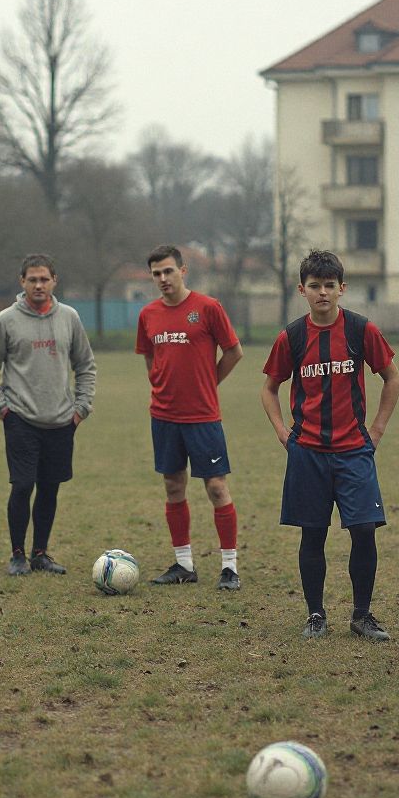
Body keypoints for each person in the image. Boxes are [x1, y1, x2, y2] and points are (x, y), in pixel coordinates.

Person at [261, 250, 399, 641]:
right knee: (312, 535)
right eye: (314, 286)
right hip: (307, 452)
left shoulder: (360, 330)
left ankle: (361, 615)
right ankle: (315, 614)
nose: (322, 293)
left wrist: (377, 430)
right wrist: (280, 431)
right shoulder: (291, 336)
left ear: (341, 289)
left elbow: (392, 377)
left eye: (329, 286)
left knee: (364, 532)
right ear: (301, 290)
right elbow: (269, 388)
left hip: (355, 451)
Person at [0, 254, 97, 576]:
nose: (39, 285)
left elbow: (85, 365)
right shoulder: (6, 320)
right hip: (20, 420)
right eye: (32, 279)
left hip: (61, 421)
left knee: (49, 487)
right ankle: (17, 555)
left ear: (54, 280)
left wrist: (81, 407)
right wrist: (2, 408)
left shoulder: (69, 317)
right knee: (23, 485)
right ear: (22, 282)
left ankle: (40, 553)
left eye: (44, 279)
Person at [135, 245, 243, 589]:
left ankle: (229, 567)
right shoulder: (148, 314)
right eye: (156, 274)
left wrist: (209, 382)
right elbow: (149, 356)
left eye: (168, 271)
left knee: (215, 486)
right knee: (173, 486)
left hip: (202, 416)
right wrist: (159, 381)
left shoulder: (207, 308)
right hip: (164, 416)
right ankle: (183, 564)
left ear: (183, 271)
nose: (163, 279)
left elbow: (234, 351)